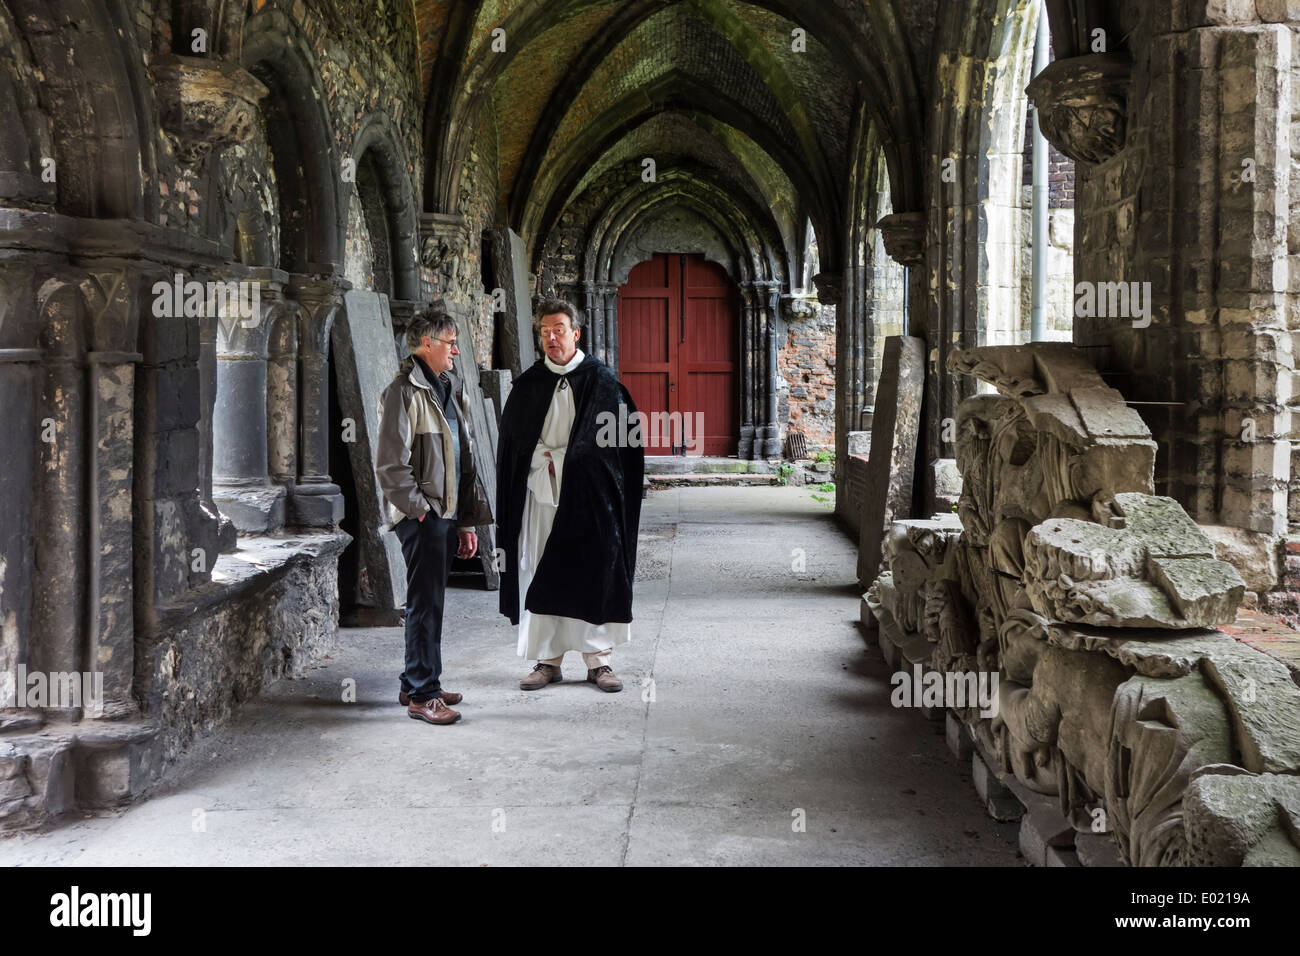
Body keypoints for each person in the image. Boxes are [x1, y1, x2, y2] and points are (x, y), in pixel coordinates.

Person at [496, 299, 645, 692]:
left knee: (592, 568)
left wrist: (580, 465)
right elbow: (511, 447)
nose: (551, 338)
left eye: (559, 330)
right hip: (540, 496)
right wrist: (538, 461)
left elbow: (623, 448)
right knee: (540, 569)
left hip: (589, 501)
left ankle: (599, 662)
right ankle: (547, 661)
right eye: (545, 331)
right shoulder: (528, 386)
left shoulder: (604, 383)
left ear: (576, 333)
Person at [376, 309, 492, 725]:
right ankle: (423, 696)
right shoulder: (402, 393)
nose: (456, 350)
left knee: (433, 602)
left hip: (447, 513)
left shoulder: (448, 387)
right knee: (425, 604)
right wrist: (422, 513)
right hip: (423, 517)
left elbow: (463, 456)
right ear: (427, 344)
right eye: (450, 342)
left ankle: (417, 679)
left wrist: (463, 521)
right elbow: (391, 466)